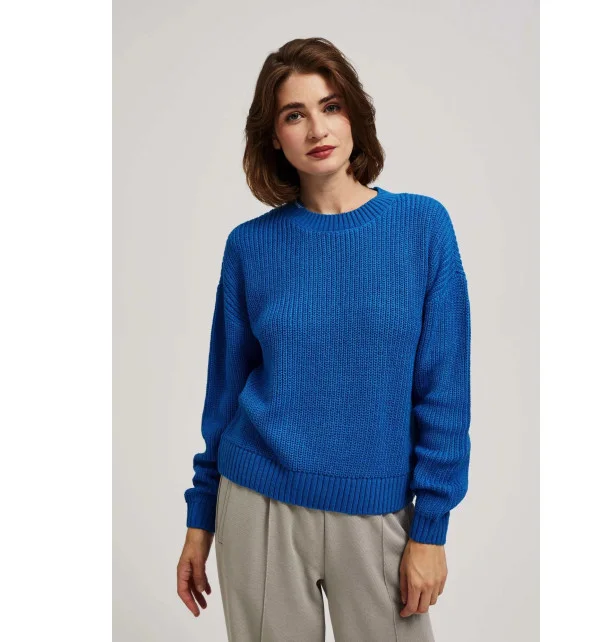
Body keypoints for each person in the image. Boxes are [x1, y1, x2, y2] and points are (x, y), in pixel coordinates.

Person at [176, 37, 472, 642]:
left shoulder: (422, 227)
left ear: (354, 114)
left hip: (377, 511)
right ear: (274, 137)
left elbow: (444, 390)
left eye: (330, 106)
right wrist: (200, 518)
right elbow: (223, 393)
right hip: (258, 503)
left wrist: (431, 528)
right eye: (295, 115)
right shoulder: (250, 247)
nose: (317, 128)